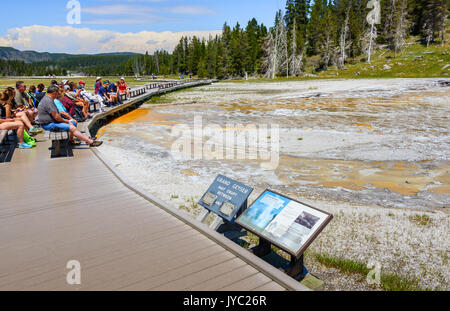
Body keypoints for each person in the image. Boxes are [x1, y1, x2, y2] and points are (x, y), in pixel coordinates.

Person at [37, 85, 102, 147]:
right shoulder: (48, 101)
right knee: (72, 127)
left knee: (72, 123)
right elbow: (56, 117)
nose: (58, 95)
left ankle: (86, 139)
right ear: (54, 93)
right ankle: (91, 142)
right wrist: (67, 121)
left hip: (49, 123)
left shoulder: (46, 99)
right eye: (57, 93)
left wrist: (67, 121)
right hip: (48, 124)